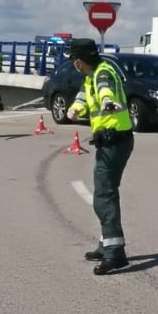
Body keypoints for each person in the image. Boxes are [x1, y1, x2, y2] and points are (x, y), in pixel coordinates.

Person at [65, 39, 135, 275]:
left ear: (78, 61)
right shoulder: (93, 74)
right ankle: (106, 245)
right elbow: (85, 96)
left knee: (104, 196)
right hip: (111, 141)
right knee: (105, 193)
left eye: (74, 59)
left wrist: (107, 101)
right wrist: (75, 108)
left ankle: (115, 254)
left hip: (115, 141)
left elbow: (104, 90)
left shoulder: (102, 73)